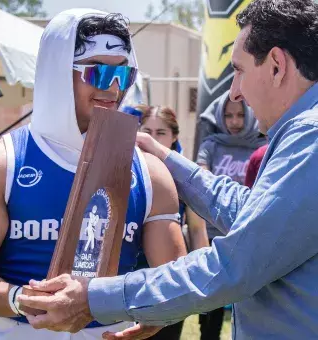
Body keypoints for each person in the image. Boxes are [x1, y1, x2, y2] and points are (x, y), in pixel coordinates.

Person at [18, 0, 318, 339]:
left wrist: (94, 296)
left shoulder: (311, 136)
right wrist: (167, 158)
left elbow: (233, 266)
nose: (234, 92)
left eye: (238, 70)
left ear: (276, 65)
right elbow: (251, 214)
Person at [0, 8, 188, 340]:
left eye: (124, 74)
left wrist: (157, 310)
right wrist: (22, 300)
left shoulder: (150, 172)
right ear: (57, 73)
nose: (114, 88)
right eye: (99, 74)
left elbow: (174, 278)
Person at [135, 104, 210, 339]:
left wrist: (206, 281)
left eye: (161, 133)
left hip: (169, 277)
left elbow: (198, 231)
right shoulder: (127, 169)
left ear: (174, 136)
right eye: (147, 131)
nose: (151, 138)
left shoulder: (185, 176)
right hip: (129, 276)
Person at [195, 91, 266, 339]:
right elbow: (201, 182)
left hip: (248, 235)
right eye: (228, 115)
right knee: (210, 307)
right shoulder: (211, 145)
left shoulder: (263, 148)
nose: (234, 122)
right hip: (213, 237)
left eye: (239, 115)